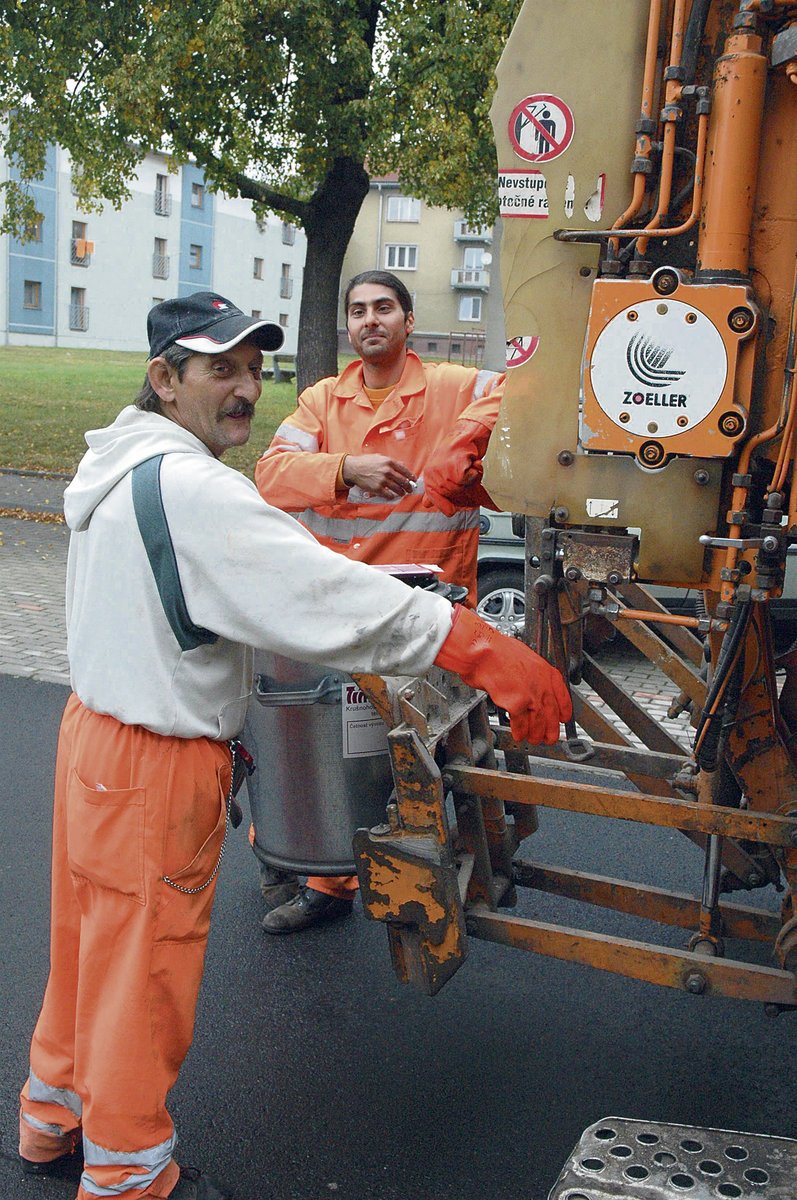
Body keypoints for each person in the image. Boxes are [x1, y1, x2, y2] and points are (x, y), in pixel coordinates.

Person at [18, 291, 571, 1200]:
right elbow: (320, 594)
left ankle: (51, 1118)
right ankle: (126, 1173)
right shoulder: (196, 489)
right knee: (145, 971)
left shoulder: (116, 467)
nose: (244, 389)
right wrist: (478, 648)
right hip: (157, 762)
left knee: (87, 946)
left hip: (93, 742)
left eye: (254, 369)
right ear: (165, 378)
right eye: (219, 369)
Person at [252, 270, 506, 934]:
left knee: (429, 759)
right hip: (346, 614)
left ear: (407, 320)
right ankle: (322, 876)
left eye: (383, 308)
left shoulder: (452, 388)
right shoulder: (322, 403)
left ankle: (442, 877)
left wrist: (464, 441)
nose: (370, 319)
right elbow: (270, 476)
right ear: (348, 325)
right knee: (349, 755)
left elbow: (515, 391)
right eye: (358, 310)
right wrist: (344, 468)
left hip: (429, 616)